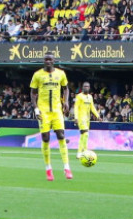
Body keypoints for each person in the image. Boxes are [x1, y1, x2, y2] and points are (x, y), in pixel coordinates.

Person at [30, 53, 72, 181]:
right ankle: (48, 169)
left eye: (50, 60)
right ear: (44, 61)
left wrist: (66, 101)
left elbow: (66, 88)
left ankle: (67, 167)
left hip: (56, 110)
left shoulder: (61, 73)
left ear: (54, 61)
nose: (48, 61)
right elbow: (32, 92)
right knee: (45, 138)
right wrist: (36, 108)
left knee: (61, 135)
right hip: (43, 111)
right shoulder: (37, 75)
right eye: (46, 60)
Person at [73, 81, 100, 160]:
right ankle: (81, 152)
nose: (86, 88)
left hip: (87, 119)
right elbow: (76, 107)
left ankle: (82, 151)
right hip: (81, 118)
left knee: (84, 136)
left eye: (87, 86)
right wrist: (76, 118)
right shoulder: (79, 96)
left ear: (89, 88)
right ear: (82, 87)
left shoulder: (90, 97)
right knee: (85, 134)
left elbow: (92, 107)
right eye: (85, 86)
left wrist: (98, 116)